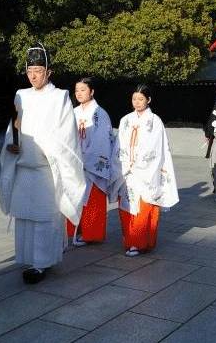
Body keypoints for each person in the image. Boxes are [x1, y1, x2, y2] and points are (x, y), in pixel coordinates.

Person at [0, 43, 85, 284]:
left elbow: (67, 136)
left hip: (47, 168)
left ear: (49, 71)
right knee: (25, 217)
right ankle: (29, 259)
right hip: (24, 167)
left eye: (38, 69)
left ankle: (41, 263)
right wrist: (12, 144)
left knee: (45, 217)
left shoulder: (60, 97)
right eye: (29, 70)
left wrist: (43, 145)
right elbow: (13, 128)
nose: (33, 75)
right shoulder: (21, 95)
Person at [110, 84, 179, 257]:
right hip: (126, 170)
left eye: (141, 99)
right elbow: (119, 145)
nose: (137, 102)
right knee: (126, 206)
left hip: (146, 171)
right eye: (134, 99)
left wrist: (138, 162)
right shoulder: (125, 120)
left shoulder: (155, 121)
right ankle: (130, 240)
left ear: (148, 100)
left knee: (143, 207)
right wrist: (124, 163)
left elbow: (156, 148)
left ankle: (140, 243)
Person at [66, 77, 113, 246]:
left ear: (92, 91)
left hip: (91, 164)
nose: (79, 93)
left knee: (92, 198)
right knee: (72, 197)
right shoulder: (73, 112)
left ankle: (90, 234)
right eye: (77, 90)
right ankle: (73, 231)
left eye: (83, 90)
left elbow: (102, 142)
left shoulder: (100, 114)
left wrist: (85, 160)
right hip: (75, 162)